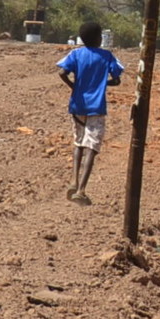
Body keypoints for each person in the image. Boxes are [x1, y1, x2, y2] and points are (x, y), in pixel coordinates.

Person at [56, 21, 124, 204]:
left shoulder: (76, 54)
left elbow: (62, 72)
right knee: (91, 147)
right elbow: (117, 78)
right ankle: (82, 190)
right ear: (98, 38)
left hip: (78, 105)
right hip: (96, 107)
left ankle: (73, 180)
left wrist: (74, 87)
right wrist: (105, 83)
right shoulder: (107, 56)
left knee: (78, 143)